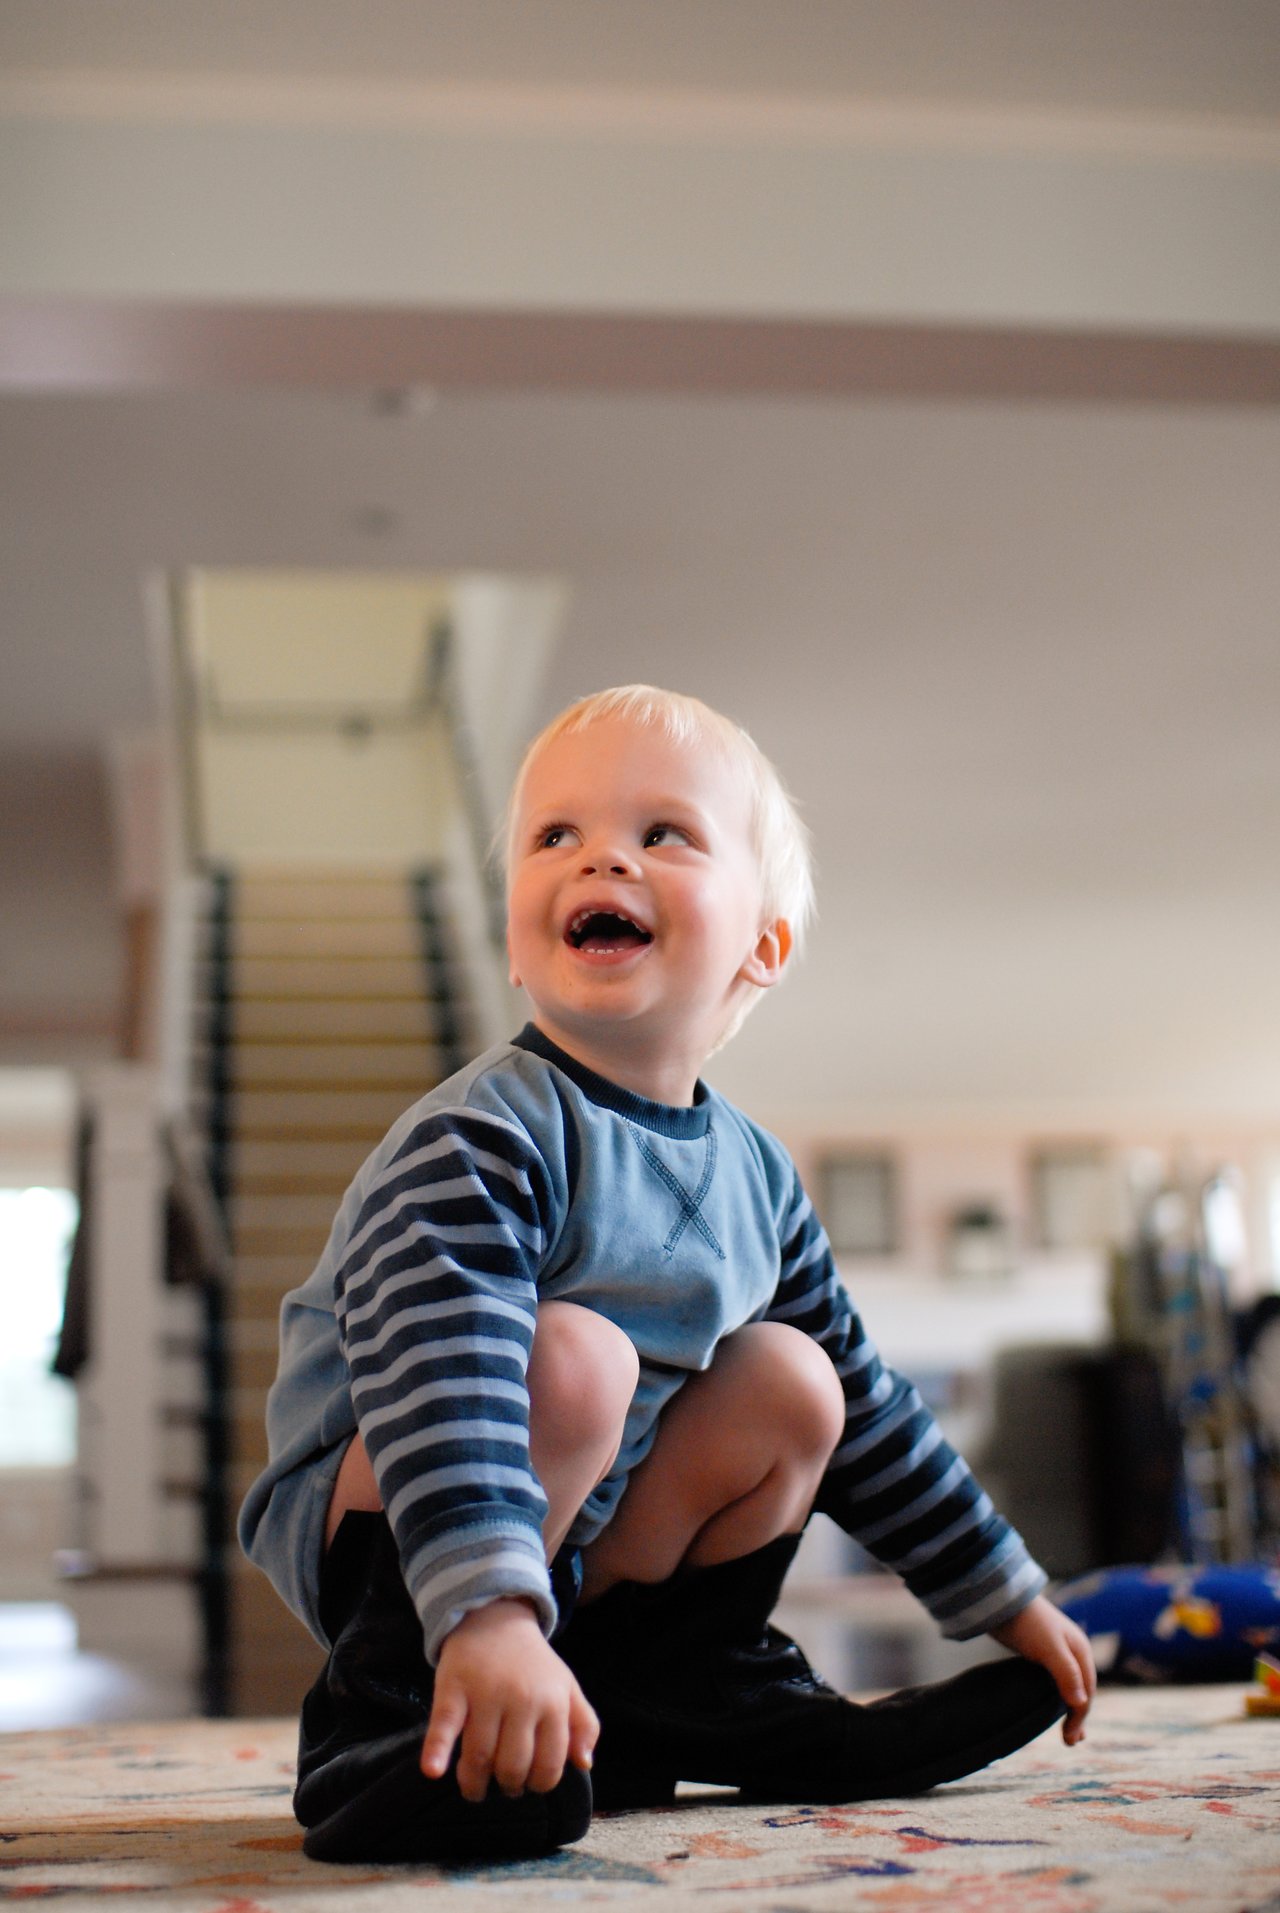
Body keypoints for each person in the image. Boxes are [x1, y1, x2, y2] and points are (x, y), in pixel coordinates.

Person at [239, 684, 1095, 1863]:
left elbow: (869, 1415)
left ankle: (678, 1688)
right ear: (513, 936)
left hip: (586, 1522)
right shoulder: (483, 1132)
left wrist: (1004, 1595)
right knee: (577, 1355)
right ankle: (389, 1717)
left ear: (762, 944)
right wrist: (484, 1616)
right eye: (557, 835)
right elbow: (439, 1374)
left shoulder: (755, 1177)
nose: (603, 858)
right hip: (399, 1497)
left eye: (661, 833)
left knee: (797, 1379)